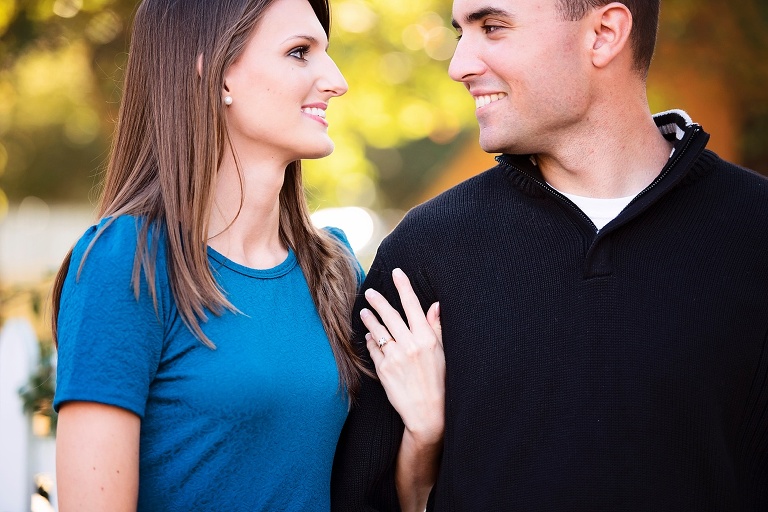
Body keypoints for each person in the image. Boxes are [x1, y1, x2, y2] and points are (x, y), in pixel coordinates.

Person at [331, 0, 768, 510]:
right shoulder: (425, 250)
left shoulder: (754, 235)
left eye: (492, 27)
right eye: (460, 33)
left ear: (604, 33)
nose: (458, 66)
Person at [51, 0, 444, 510]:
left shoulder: (334, 270)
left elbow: (395, 501)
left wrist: (425, 431)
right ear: (215, 73)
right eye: (299, 52)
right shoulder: (127, 262)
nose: (336, 80)